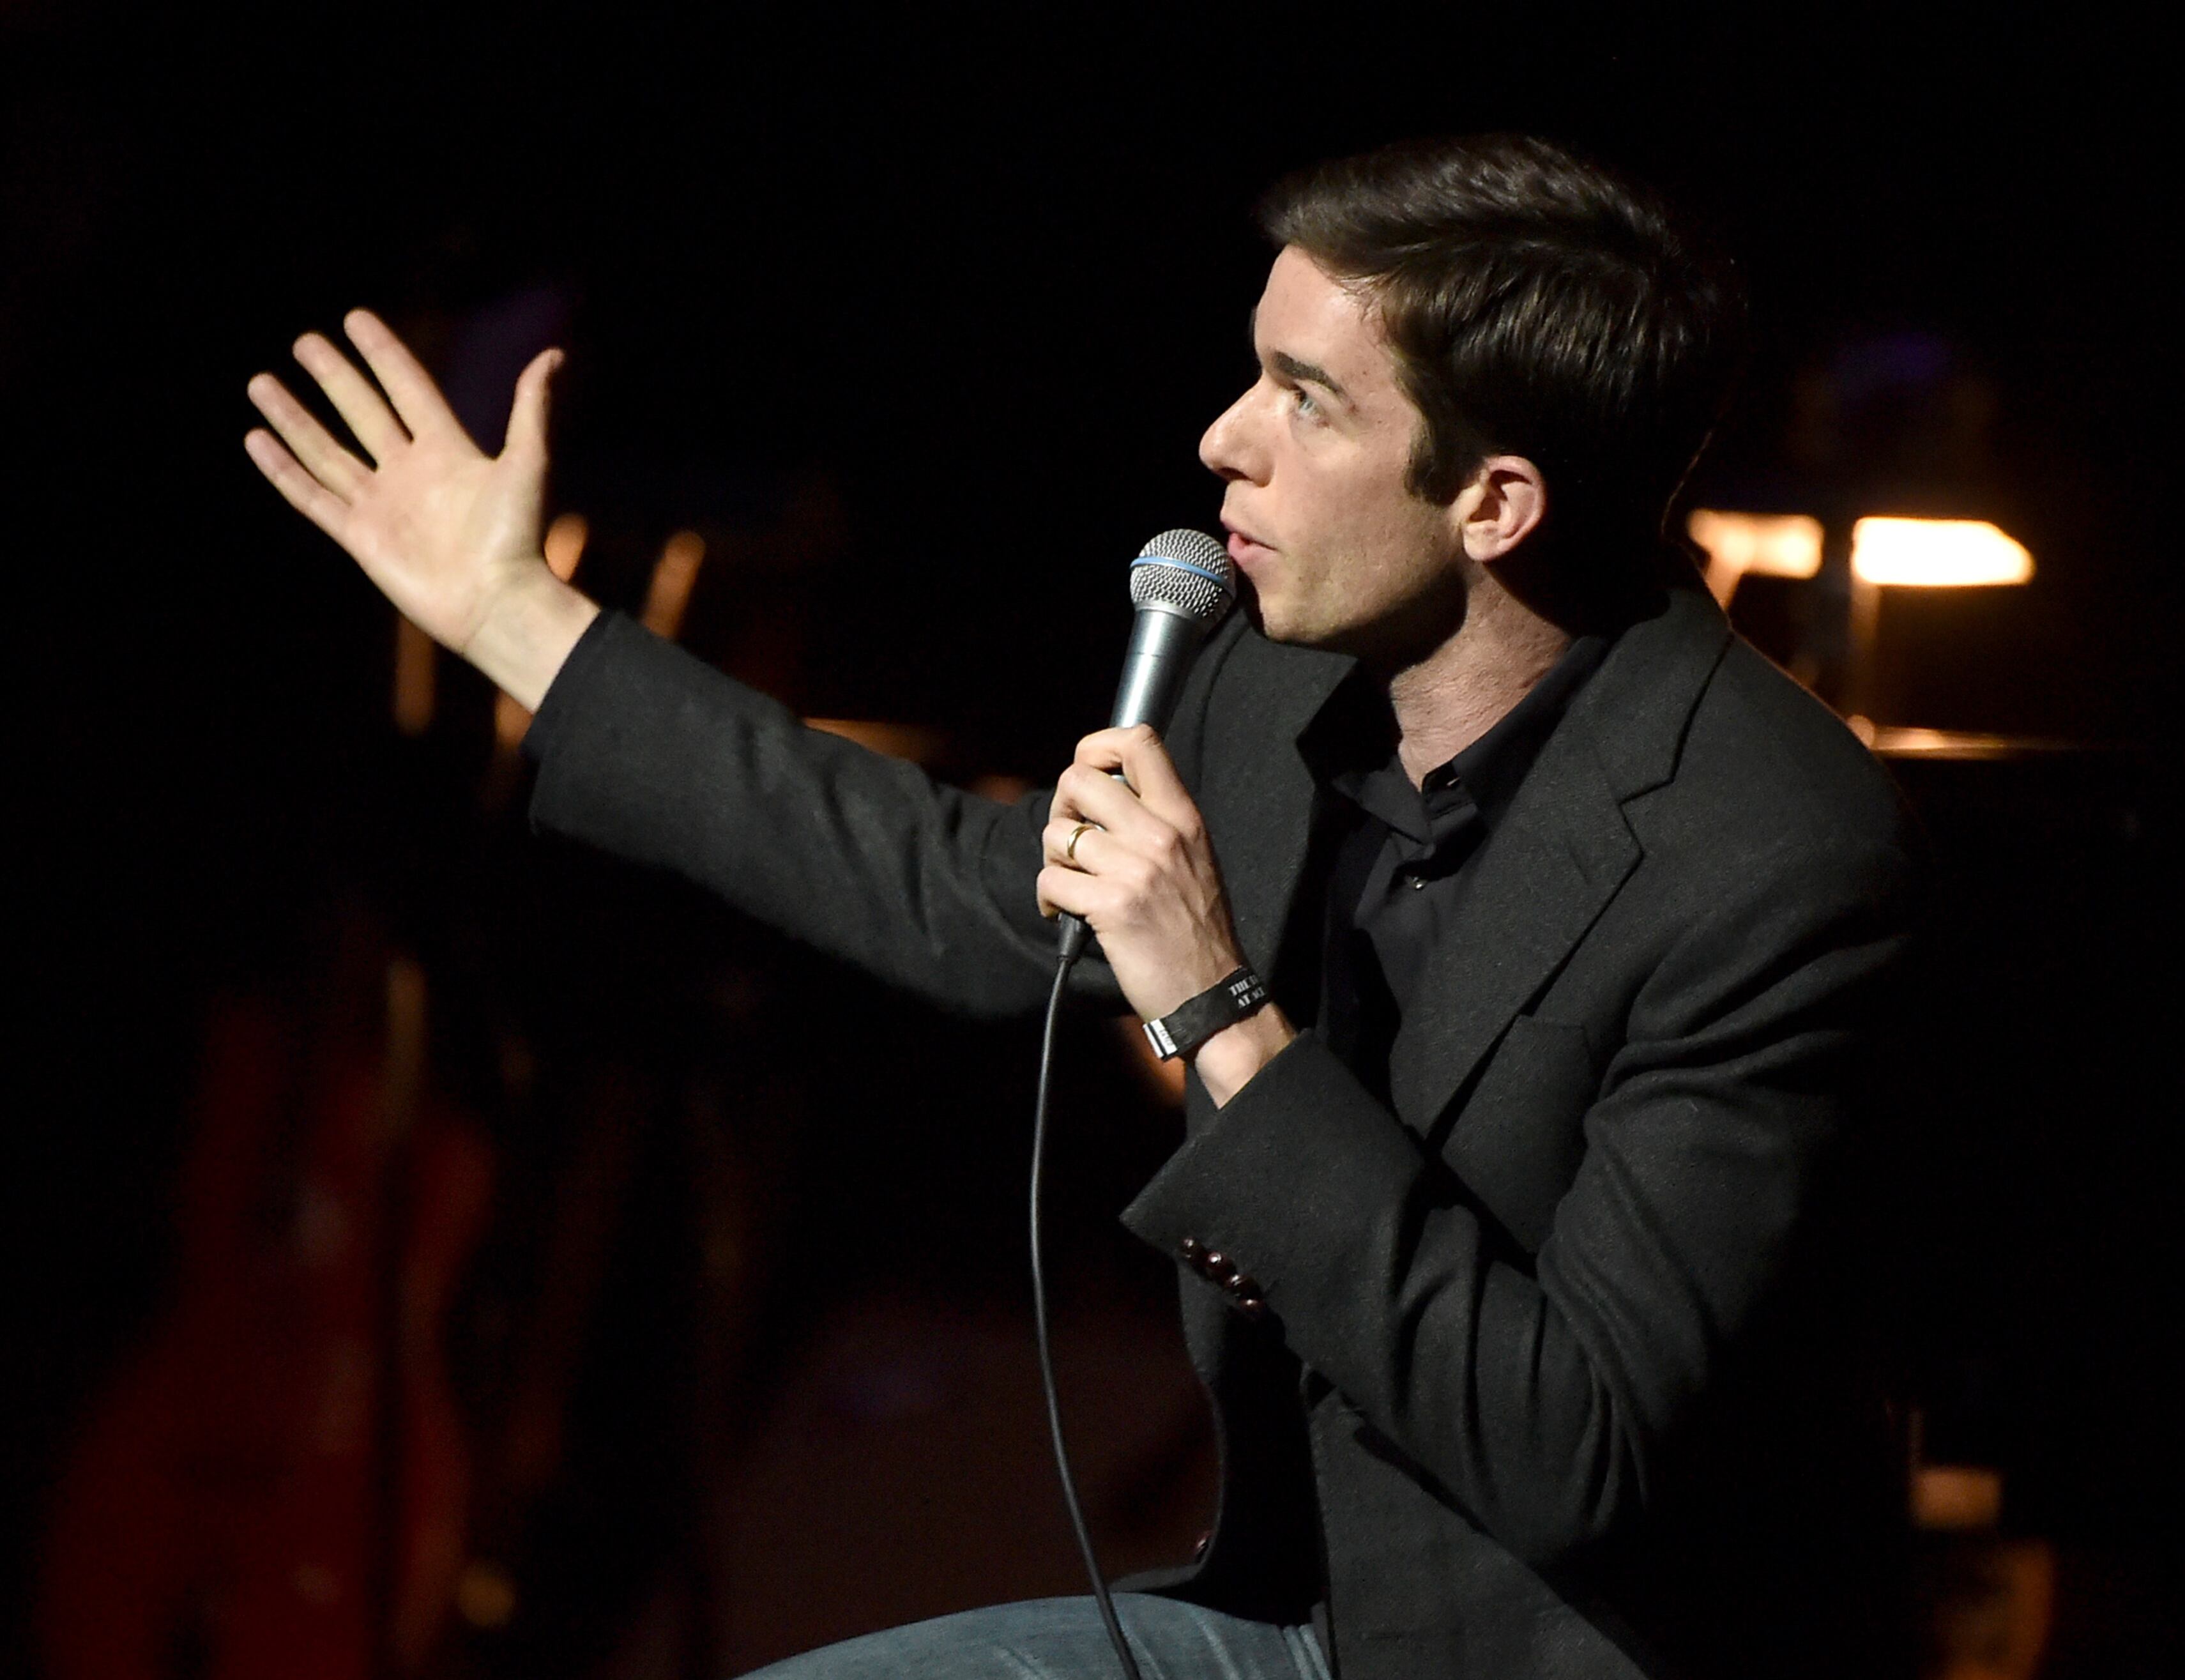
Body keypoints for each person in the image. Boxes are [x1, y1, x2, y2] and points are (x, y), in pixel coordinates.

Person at [245, 134, 1919, 1680]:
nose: (1223, 440)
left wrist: (1220, 1013)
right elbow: (951, 881)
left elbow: (1571, 1449)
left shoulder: (1768, 851)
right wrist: (518, 619)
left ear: (1495, 502)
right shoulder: (1285, 681)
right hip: (1295, 1616)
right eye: (1253, 370)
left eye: (1305, 400)